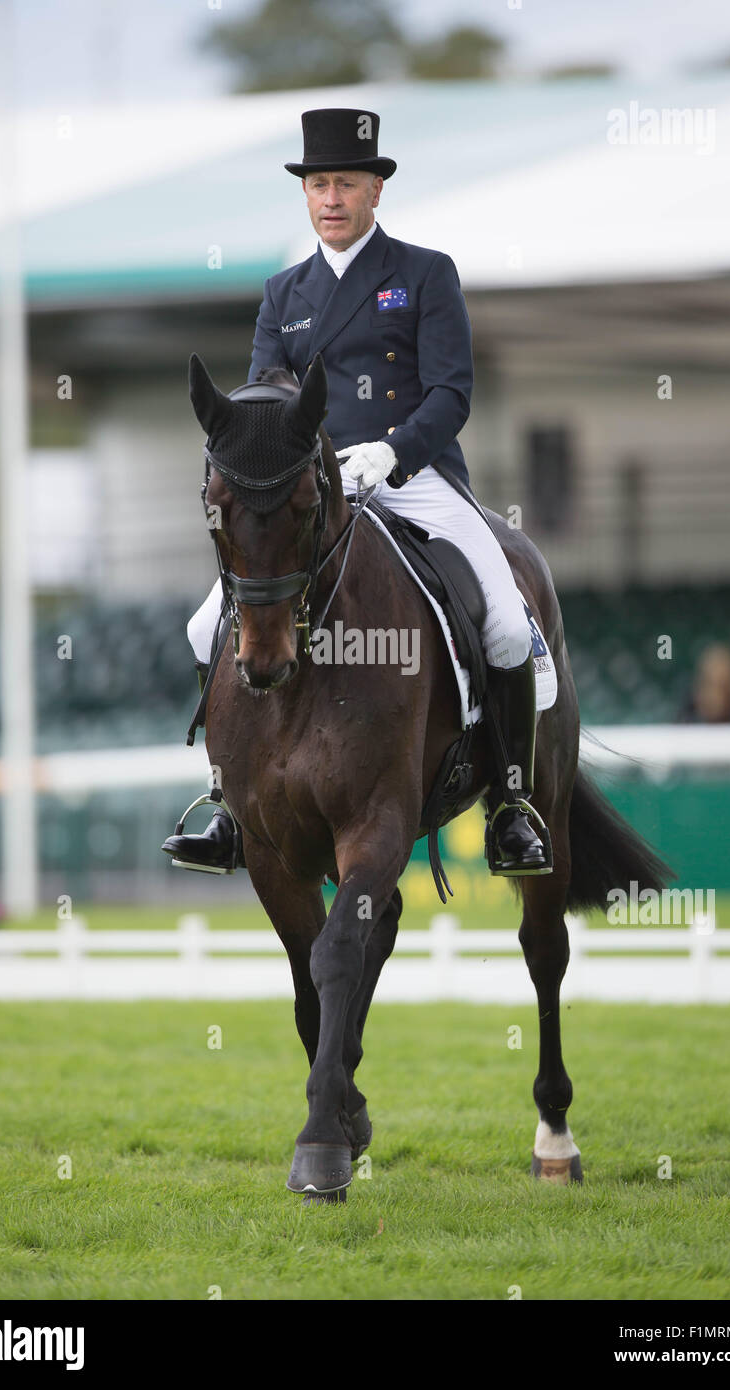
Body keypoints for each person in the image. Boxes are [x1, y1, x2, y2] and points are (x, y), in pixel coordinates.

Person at [162, 108, 549, 878]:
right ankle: (228, 804)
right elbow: (262, 396)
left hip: (413, 477)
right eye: (317, 184)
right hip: (311, 492)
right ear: (305, 195)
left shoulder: (423, 273)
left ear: (376, 190)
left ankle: (510, 804)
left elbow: (452, 393)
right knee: (206, 629)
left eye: (344, 182)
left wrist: (392, 451)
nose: (330, 197)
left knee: (506, 624)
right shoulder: (284, 291)